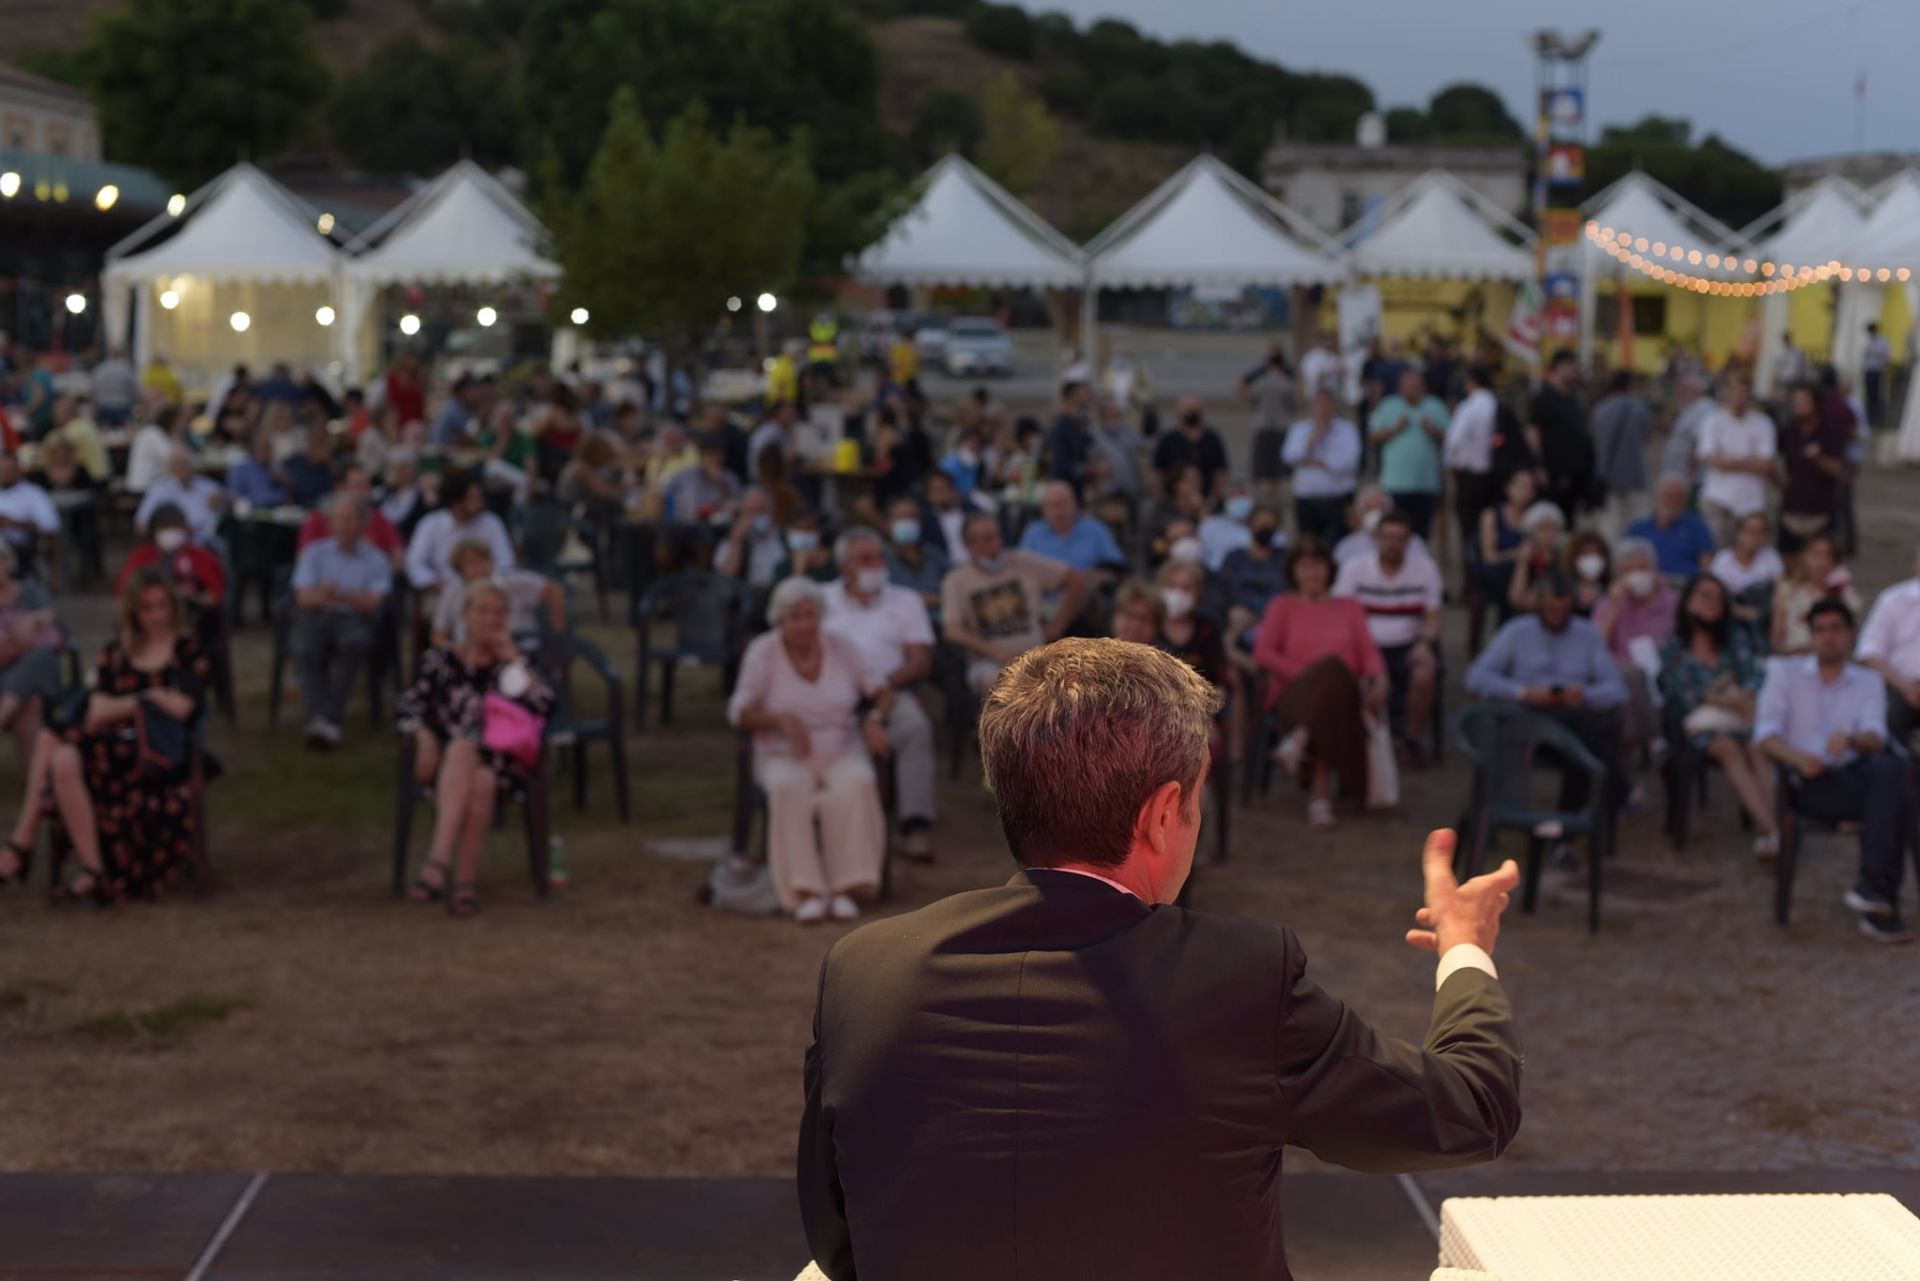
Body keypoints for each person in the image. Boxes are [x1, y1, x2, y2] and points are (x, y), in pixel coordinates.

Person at [797, 638, 1523, 1280]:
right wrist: (1464, 946)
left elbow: (840, 1244)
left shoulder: (864, 970)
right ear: (1160, 814)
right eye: (1197, 804)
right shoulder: (1238, 977)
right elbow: (1472, 1106)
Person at [0, 569, 207, 902]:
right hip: (108, 747)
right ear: (133, 611)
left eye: (162, 606)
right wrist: (149, 698)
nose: (156, 615)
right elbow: (97, 710)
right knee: (62, 756)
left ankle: (21, 845)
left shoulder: (187, 650)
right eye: (147, 608)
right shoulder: (117, 651)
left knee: (52, 737)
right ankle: (94, 870)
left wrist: (129, 702)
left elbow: (182, 708)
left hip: (153, 755)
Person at [729, 577, 891, 923]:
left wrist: (875, 718)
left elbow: (881, 689)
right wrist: (780, 721)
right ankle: (805, 890)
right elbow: (739, 711)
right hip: (782, 752)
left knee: (858, 783)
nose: (805, 624)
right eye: (796, 617)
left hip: (840, 746)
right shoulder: (764, 651)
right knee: (789, 788)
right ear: (780, 621)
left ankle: (847, 887)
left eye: (810, 615)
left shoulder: (842, 647)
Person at [1757, 599, 1914, 942]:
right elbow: (1765, 735)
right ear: (1812, 636)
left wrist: (1854, 740)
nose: (1829, 638)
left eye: (1836, 629)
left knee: (1890, 771)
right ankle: (1878, 897)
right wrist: (1798, 758)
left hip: (1852, 774)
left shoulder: (1867, 680)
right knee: (1898, 793)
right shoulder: (1786, 674)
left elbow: (1876, 735)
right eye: (1821, 630)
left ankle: (1874, 886)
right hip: (1807, 780)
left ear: (1851, 635)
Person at [397, 582, 555, 918]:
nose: (490, 619)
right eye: (481, 611)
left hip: (504, 764)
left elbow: (546, 706)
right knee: (474, 773)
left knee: (465, 751)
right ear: (465, 616)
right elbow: (408, 707)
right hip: (448, 771)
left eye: (498, 612)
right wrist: (422, 735)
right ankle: (464, 883)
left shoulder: (514, 665)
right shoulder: (439, 660)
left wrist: (515, 663)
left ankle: (437, 862)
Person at [1466, 570, 1627, 816]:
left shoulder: (1588, 635)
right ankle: (1618, 788)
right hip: (1525, 720)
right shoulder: (1517, 632)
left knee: (1579, 736)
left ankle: (1563, 834)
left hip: (1571, 722)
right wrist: (1523, 693)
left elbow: (1616, 690)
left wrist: (1584, 694)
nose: (1557, 617)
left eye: (1563, 610)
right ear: (1540, 603)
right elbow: (1476, 677)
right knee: (1585, 734)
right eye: (1551, 609)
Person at [1253, 537, 1386, 828]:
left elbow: (1369, 653)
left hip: (1345, 695)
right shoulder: (1283, 606)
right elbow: (1264, 652)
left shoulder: (1350, 607)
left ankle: (1300, 742)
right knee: (1330, 673)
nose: (1312, 573)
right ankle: (1319, 797)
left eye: (1318, 566)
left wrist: (1380, 680)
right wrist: (1307, 675)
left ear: (1329, 570)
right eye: (1305, 566)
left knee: (1333, 681)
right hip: (1293, 691)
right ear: (1294, 571)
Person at [825, 530, 939, 862]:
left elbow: (921, 660)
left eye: (879, 558)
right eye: (865, 559)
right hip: (834, 696)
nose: (876, 566)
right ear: (843, 566)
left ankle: (915, 825)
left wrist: (879, 683)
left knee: (916, 728)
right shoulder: (821, 601)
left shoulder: (905, 600)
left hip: (891, 690)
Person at [1658, 574, 1774, 855]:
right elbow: (1684, 695)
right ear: (1689, 602)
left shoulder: (1734, 638)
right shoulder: (1675, 646)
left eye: (1718, 598)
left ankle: (1766, 830)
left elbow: (1753, 677)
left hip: (1739, 716)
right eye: (1705, 596)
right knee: (1728, 749)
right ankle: (1773, 829)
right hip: (1695, 726)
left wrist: (1730, 695)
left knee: (1760, 747)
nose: (1712, 603)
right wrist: (1723, 695)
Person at [1335, 510, 1443, 765]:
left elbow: (1433, 617)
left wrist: (1425, 643)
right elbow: (1341, 616)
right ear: (1376, 539)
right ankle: (1357, 741)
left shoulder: (1426, 569)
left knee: (1424, 673)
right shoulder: (1354, 568)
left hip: (1409, 644)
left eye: (1399, 538)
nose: (1393, 544)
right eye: (1387, 538)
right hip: (1364, 646)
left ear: (1409, 541)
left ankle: (1411, 740)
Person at [942, 513, 1085, 696]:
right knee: (1000, 684)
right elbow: (952, 631)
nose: (996, 544)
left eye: (997, 536)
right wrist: (994, 651)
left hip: (1036, 653)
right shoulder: (956, 581)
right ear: (970, 546)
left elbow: (1074, 579)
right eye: (987, 539)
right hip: (989, 662)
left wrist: (1059, 624)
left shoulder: (1022, 561)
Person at [290, 495, 392, 748]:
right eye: (338, 520)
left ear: (362, 523)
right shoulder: (314, 553)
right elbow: (304, 597)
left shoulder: (376, 558)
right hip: (317, 616)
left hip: (353, 619)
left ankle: (324, 719)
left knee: (354, 643)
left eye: (350, 519)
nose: (344, 526)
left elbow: (374, 603)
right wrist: (339, 596)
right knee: (304, 648)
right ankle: (324, 719)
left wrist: (339, 594)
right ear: (330, 524)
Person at [1593, 537, 1678, 786]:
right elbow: (1595, 647)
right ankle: (1654, 740)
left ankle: (1627, 784)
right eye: (1629, 571)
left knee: (1638, 678)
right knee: (1631, 680)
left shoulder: (1672, 601)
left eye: (1643, 568)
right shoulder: (1609, 604)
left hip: (1666, 672)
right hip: (1622, 676)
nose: (1638, 576)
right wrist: (1615, 606)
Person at [429, 539, 564, 650]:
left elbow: (552, 590)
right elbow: (438, 635)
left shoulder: (512, 582)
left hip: (520, 651)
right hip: (471, 659)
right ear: (460, 571)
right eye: (472, 564)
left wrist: (558, 641)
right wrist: (455, 650)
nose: (480, 568)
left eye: (483, 561)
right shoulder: (452, 592)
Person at [1694, 375, 1775, 548]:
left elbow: (1766, 464)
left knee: (1748, 549)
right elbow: (1713, 460)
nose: (1739, 396)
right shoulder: (1713, 421)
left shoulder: (1763, 423)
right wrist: (1749, 461)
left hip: (1751, 501)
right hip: (1717, 498)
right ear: (1726, 393)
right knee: (1715, 548)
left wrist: (1727, 461)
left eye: (1744, 392)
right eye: (1735, 391)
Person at [1368, 366, 1447, 538]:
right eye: (1409, 386)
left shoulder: (1436, 406)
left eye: (1417, 386)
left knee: (1421, 534)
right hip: (1394, 484)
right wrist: (1395, 429)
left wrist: (1432, 430)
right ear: (1400, 387)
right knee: (1394, 532)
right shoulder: (1388, 405)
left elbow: (1450, 439)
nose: (1413, 390)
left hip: (1426, 484)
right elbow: (1373, 437)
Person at [402, 471, 514, 592]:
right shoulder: (430, 524)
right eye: (472, 498)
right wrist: (435, 583)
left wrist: (486, 582)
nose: (479, 502)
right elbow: (415, 563)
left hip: (485, 589)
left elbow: (505, 562)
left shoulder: (491, 522)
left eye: (480, 497)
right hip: (441, 591)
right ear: (456, 503)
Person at [0, 541, 64, 753]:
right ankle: (36, 783)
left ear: (10, 562)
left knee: (40, 658)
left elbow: (51, 619)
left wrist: (33, 622)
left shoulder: (30, 591)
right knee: (30, 702)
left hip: (35, 666)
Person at [1856, 543, 1920, 743]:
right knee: (1885, 713)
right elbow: (1868, 653)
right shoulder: (1893, 599)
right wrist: (1906, 688)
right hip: (1898, 686)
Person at [1283, 388, 1362, 545]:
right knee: (1308, 544)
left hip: (1337, 499)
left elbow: (1349, 462)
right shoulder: (1299, 429)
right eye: (1319, 404)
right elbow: (1289, 457)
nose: (1323, 408)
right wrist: (1313, 441)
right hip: (1306, 499)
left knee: (1339, 544)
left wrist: (1321, 463)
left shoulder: (1347, 430)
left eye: (1327, 404)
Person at [1777, 381, 1848, 553]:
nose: (1799, 406)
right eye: (1796, 401)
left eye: (1804, 401)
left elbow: (1837, 469)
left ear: (1816, 404)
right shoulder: (1788, 431)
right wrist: (1777, 479)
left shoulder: (1832, 432)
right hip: (1791, 510)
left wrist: (1818, 459)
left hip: (1821, 512)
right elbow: (1773, 458)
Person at [1527, 350, 1594, 522]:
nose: (1573, 370)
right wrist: (1538, 465)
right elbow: (1533, 434)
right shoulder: (1543, 399)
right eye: (1569, 366)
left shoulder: (1572, 398)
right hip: (1553, 474)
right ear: (1557, 368)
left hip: (1574, 475)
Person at [1590, 370, 1654, 546]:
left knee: (1610, 523)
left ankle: (1611, 558)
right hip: (1634, 474)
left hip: (1607, 474)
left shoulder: (1601, 408)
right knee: (1638, 522)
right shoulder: (1638, 407)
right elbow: (1647, 436)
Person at [1774, 534, 1860, 657]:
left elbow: (1851, 638)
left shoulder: (1844, 593)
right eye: (1816, 555)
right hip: (1795, 658)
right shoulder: (1787, 591)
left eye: (1828, 556)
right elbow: (1776, 641)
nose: (1822, 562)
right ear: (1805, 557)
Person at [297, 464, 402, 563]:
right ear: (340, 488)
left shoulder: (379, 518)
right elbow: (304, 560)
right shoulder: (317, 519)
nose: (366, 493)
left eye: (367, 486)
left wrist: (378, 572)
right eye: (359, 486)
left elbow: (398, 556)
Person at [1445, 364, 1500, 551]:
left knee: (1469, 530)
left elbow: (1455, 441)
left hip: (1470, 475)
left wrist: (1453, 465)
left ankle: (1471, 574)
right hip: (1492, 476)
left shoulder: (1469, 407)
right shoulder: (1496, 405)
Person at [1017, 480, 1126, 573]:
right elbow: (1020, 570)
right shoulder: (1033, 533)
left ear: (1075, 505)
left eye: (1064, 504)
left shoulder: (1096, 530)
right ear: (1043, 510)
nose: (1059, 511)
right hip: (1044, 594)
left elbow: (1117, 565)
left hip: (1089, 592)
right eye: (1054, 506)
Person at [1628, 475, 1716, 581]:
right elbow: (1625, 561)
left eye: (1678, 497)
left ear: (1686, 501)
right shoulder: (1638, 527)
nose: (1672, 502)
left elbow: (1706, 563)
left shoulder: (1697, 526)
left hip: (1684, 584)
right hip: (1647, 585)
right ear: (1656, 497)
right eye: (1667, 496)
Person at [1476, 468, 1538, 615]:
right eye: (1522, 486)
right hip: (1497, 570)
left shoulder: (1535, 518)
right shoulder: (1491, 515)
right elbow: (1489, 556)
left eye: (1530, 488)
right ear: (1509, 488)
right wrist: (1518, 554)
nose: (1526, 492)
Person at [135, 446, 226, 542]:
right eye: (179, 464)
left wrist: (223, 499)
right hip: (177, 543)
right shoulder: (160, 490)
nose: (184, 467)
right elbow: (142, 523)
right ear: (170, 467)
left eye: (187, 463)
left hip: (211, 537)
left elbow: (233, 502)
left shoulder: (206, 485)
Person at [1710, 511, 1785, 629]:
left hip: (1764, 616)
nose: (1755, 536)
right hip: (1729, 613)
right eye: (1750, 531)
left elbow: (1781, 590)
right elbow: (1715, 594)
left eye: (1760, 532)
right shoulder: (1723, 559)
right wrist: (1740, 611)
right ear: (1739, 532)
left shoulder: (1771, 557)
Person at [1243, 345, 1296, 502]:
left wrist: (1254, 403)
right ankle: (1275, 494)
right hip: (1281, 425)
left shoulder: (1261, 381)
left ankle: (1256, 495)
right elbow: (1293, 401)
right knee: (1277, 464)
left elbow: (1246, 391)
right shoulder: (1286, 382)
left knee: (1260, 462)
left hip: (1262, 424)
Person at [1152, 395, 1230, 501]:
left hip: (1205, 499)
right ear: (1179, 412)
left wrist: (1214, 498)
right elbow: (1158, 472)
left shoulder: (1212, 439)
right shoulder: (1167, 440)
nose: (1191, 413)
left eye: (1194, 410)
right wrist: (1160, 498)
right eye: (1188, 409)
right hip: (1173, 501)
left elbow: (1221, 471)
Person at [884, 494, 949, 619]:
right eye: (901, 517)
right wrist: (915, 602)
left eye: (912, 517)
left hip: (941, 625)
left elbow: (955, 589)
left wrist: (936, 600)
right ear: (888, 524)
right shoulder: (880, 559)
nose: (907, 522)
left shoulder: (934, 555)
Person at [716, 487, 788, 592]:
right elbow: (727, 574)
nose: (756, 516)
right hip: (746, 597)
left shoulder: (783, 537)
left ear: (771, 511)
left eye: (761, 510)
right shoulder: (732, 538)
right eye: (751, 511)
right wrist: (736, 540)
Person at [1505, 501, 1569, 616]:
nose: (1549, 534)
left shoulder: (1562, 558)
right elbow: (1516, 598)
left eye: (1553, 529)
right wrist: (1523, 562)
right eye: (1543, 529)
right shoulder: (1525, 557)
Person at [0, 453, 60, 576]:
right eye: (3, 469)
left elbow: (51, 524)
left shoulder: (33, 493)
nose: (6, 473)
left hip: (21, 546)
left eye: (10, 469)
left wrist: (14, 523)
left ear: (18, 470)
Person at [1658, 373, 1712, 485]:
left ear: (1694, 390)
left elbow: (1698, 442)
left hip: (1688, 476)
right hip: (1676, 472)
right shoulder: (1688, 407)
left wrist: (1690, 471)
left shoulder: (1704, 409)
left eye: (1682, 389)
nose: (1678, 393)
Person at [1045, 380, 1094, 491]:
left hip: (1078, 492)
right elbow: (1060, 465)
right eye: (1085, 393)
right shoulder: (1059, 428)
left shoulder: (1082, 424)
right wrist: (1090, 470)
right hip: (1064, 493)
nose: (1090, 397)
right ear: (1073, 395)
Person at [1197, 483, 1256, 571]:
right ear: (1226, 500)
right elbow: (1200, 556)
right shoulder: (1210, 526)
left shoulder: (1263, 527)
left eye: (1241, 494)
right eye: (1233, 495)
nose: (1238, 499)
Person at [226, 430, 291, 508]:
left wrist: (286, 481)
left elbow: (287, 498)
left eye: (269, 448)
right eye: (263, 448)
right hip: (249, 515)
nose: (267, 452)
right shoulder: (240, 469)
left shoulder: (276, 468)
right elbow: (233, 496)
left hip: (275, 513)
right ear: (253, 449)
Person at [51, 395, 109, 482]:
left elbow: (53, 446)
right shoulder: (86, 423)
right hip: (103, 475)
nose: (54, 416)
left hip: (93, 480)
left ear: (67, 413)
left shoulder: (73, 430)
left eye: (57, 412)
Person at [284, 421, 337, 509]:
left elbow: (336, 491)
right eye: (318, 442)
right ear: (309, 442)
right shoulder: (294, 463)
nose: (322, 448)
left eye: (324, 442)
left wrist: (330, 464)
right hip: (300, 510)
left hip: (325, 509)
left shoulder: (329, 466)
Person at [1564, 530, 1612, 617]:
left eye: (1597, 553)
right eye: (1586, 553)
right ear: (1574, 557)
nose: (1592, 558)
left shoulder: (1611, 590)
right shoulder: (1563, 589)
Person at [1862, 322, 1891, 428]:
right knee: (1869, 394)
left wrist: (1874, 353)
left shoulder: (1882, 341)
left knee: (1877, 395)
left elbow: (1886, 356)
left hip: (1878, 371)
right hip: (1869, 371)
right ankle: (1870, 417)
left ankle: (1878, 418)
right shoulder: (1868, 341)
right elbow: (1865, 355)